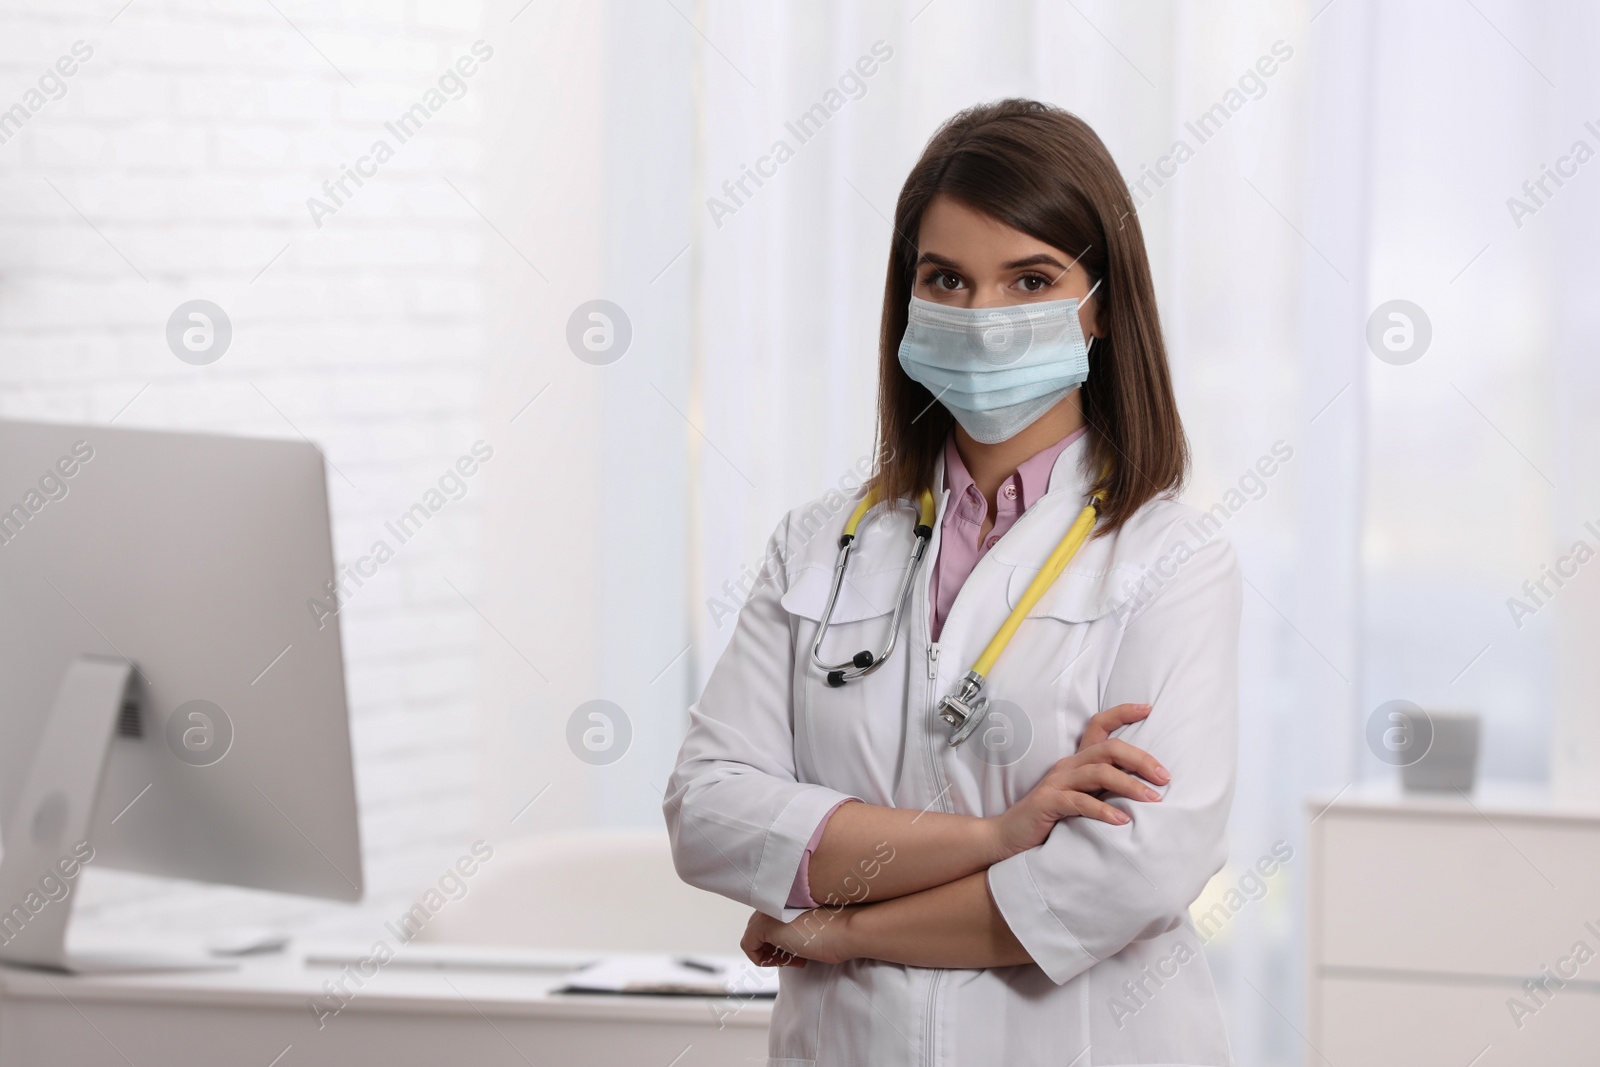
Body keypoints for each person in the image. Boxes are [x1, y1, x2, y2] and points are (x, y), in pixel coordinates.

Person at [665, 98, 1242, 1066]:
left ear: (1100, 302)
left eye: (1029, 279)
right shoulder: (816, 540)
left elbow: (1129, 874)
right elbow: (711, 815)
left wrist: (838, 928)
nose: (983, 317)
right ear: (908, 297)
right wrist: (1001, 833)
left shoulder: (1170, 559)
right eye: (946, 279)